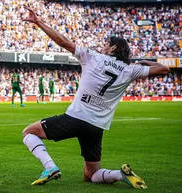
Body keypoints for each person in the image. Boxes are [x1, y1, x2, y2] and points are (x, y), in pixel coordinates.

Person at [21, 6, 170, 189]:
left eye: (107, 43)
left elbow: (63, 41)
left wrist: (38, 22)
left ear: (113, 47)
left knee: (28, 132)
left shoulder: (92, 56)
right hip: (96, 126)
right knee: (90, 175)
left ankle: (50, 167)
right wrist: (143, 62)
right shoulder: (130, 70)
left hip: (76, 117)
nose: (104, 45)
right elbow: (164, 69)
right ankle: (119, 174)